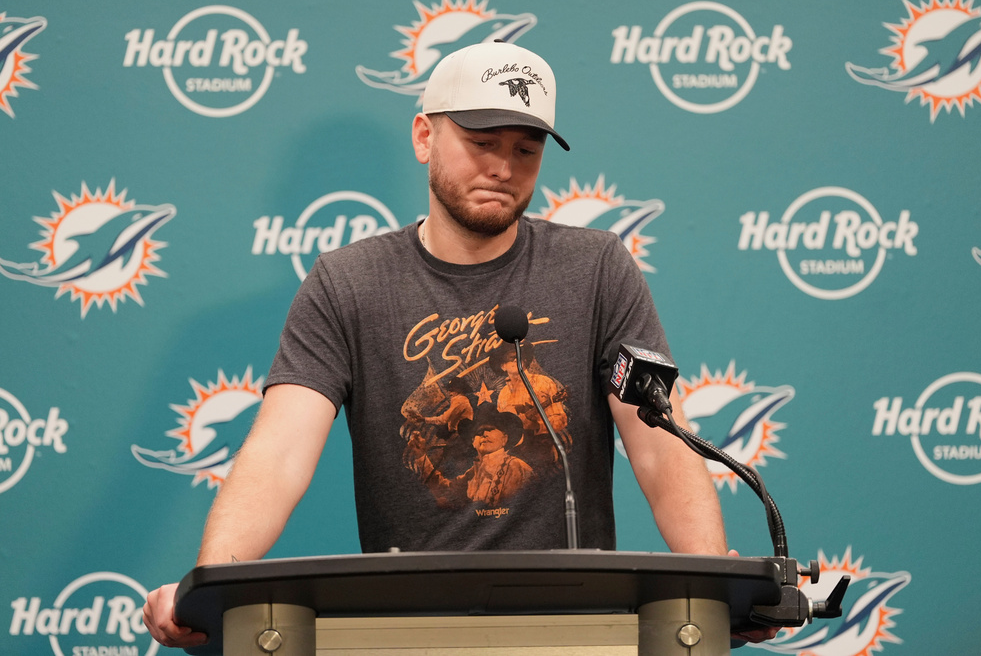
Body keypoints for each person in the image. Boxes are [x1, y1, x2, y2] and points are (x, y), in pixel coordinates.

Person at [143, 40, 776, 648]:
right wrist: (209, 587)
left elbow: (661, 445)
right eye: (481, 144)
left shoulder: (597, 269)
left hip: (578, 623)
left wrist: (713, 580)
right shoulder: (348, 282)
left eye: (526, 150)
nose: (503, 168)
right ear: (424, 136)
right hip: (402, 626)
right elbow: (279, 453)